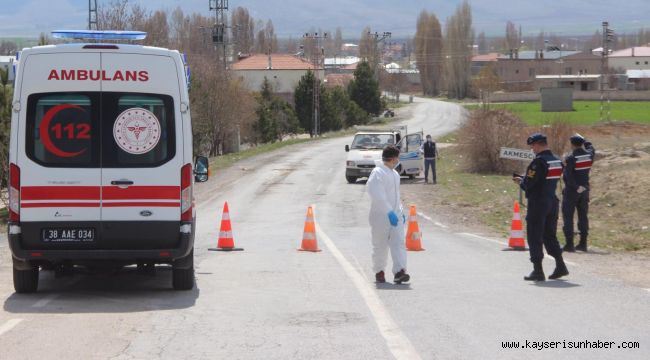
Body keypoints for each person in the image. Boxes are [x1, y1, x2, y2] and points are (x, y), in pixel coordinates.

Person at [512, 133, 569, 281]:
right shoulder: (557, 160)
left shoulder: (538, 162)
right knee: (549, 235)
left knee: (534, 235)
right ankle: (560, 265)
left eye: (532, 146)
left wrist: (520, 181)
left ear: (538, 144)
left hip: (538, 203)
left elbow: (530, 184)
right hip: (552, 201)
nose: (532, 149)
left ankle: (538, 270)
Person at [367, 145, 410, 284]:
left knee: (398, 243)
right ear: (392, 159)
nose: (398, 160)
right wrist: (388, 211)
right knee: (380, 245)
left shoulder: (395, 174)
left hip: (395, 215)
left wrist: (400, 211)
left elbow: (396, 196)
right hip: (380, 216)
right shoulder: (378, 172)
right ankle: (379, 271)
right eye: (397, 158)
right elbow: (376, 194)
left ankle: (400, 271)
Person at [562, 134, 595, 252]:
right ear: (581, 143)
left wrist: (576, 187)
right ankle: (583, 243)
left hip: (573, 191)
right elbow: (592, 148)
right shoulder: (589, 155)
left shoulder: (571, 158)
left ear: (572, 144)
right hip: (585, 189)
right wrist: (585, 141)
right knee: (583, 216)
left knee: (568, 216)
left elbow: (568, 177)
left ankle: (569, 244)